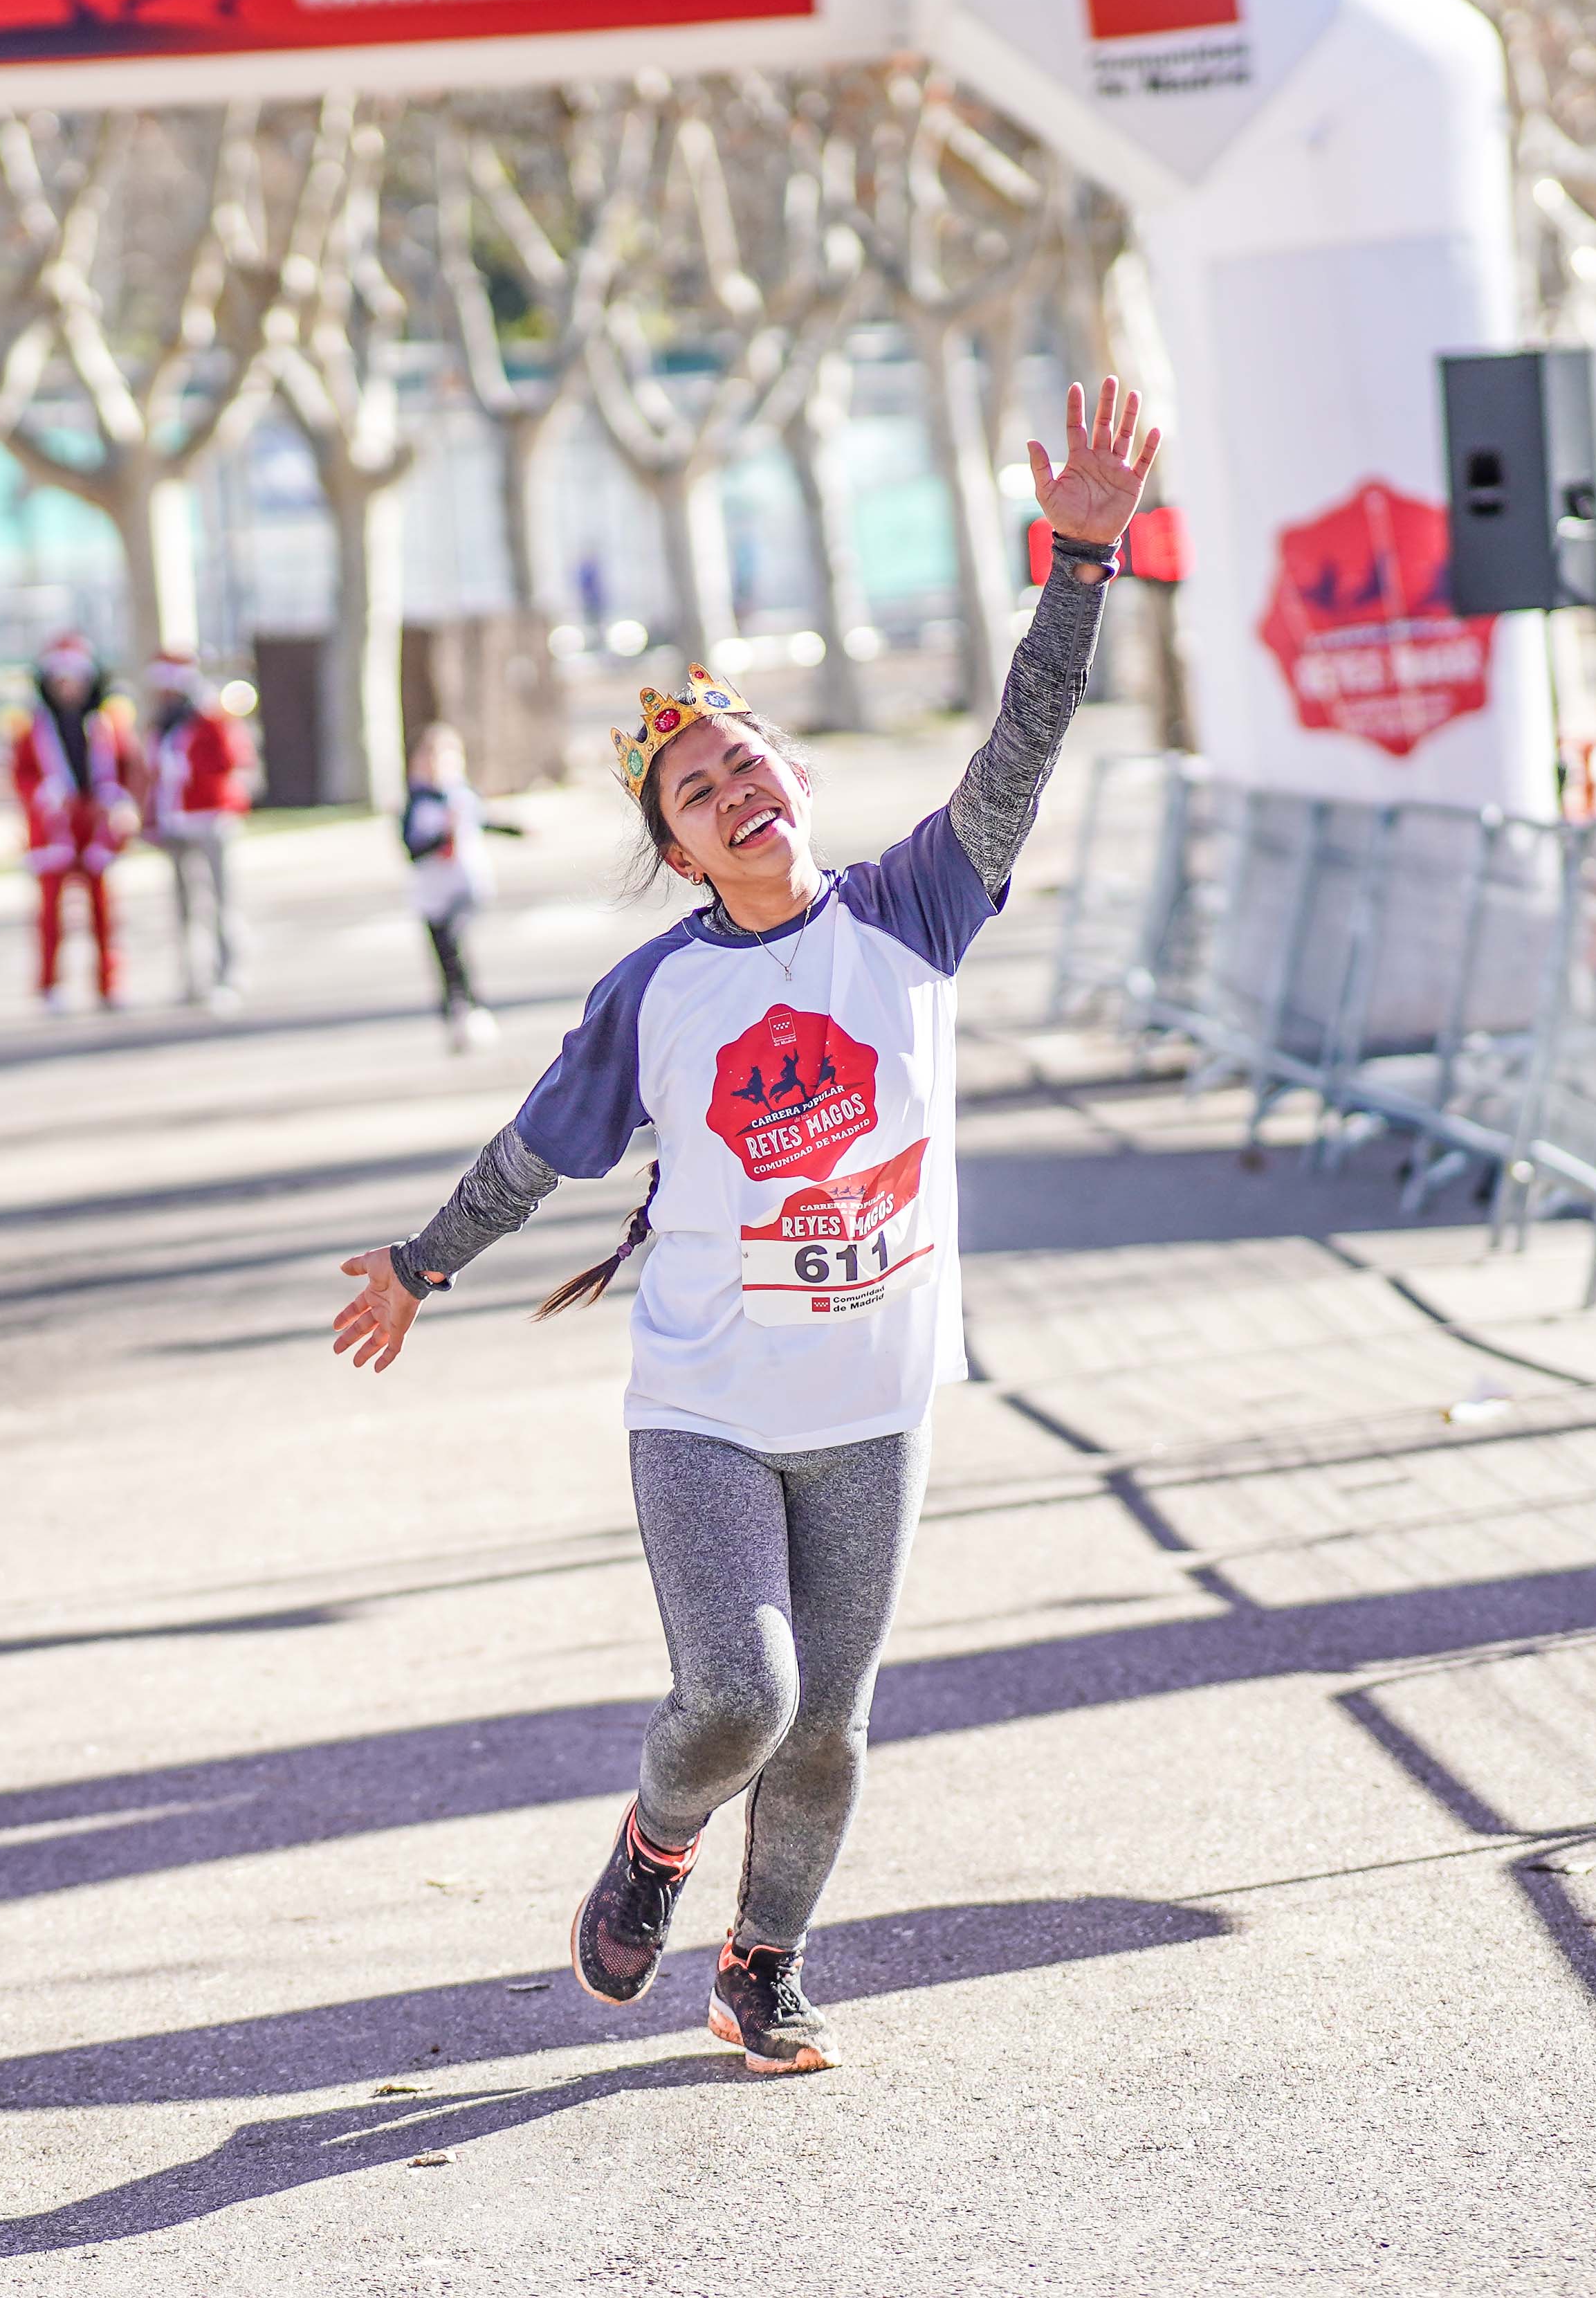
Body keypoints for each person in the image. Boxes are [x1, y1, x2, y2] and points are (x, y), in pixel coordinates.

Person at [329, 379, 1162, 2077]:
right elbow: (539, 1151)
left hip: (873, 1403)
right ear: (679, 848)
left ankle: (760, 1965)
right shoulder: (657, 994)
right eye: (697, 792)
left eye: (746, 762)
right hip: (707, 1403)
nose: (733, 791)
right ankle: (654, 1842)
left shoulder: (915, 907)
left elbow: (1024, 740)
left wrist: (1079, 562)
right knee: (739, 1701)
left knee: (830, 1730)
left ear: (793, 775)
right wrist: (421, 1263)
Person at [13, 632, 135, 1012]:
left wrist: (118, 802)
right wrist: (45, 794)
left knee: (104, 911)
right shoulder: (33, 728)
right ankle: (50, 986)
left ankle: (109, 984)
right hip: (55, 827)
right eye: (60, 680)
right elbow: (22, 775)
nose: (68, 688)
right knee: (51, 913)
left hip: (96, 825)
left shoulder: (106, 723)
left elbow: (127, 767)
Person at [142, 655, 257, 1012]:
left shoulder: (209, 720)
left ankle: (228, 976)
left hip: (209, 819)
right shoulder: (160, 727)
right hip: (174, 822)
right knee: (183, 906)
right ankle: (190, 979)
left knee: (221, 902)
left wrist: (191, 769)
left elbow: (232, 760)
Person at [400, 722, 520, 1051]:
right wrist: (443, 837)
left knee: (455, 944)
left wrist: (516, 830)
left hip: (467, 884)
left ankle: (471, 1008)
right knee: (444, 955)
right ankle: (455, 1013)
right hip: (432, 893)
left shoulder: (463, 796)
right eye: (430, 756)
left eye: (446, 756)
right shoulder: (418, 804)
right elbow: (412, 849)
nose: (438, 764)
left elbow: (484, 821)